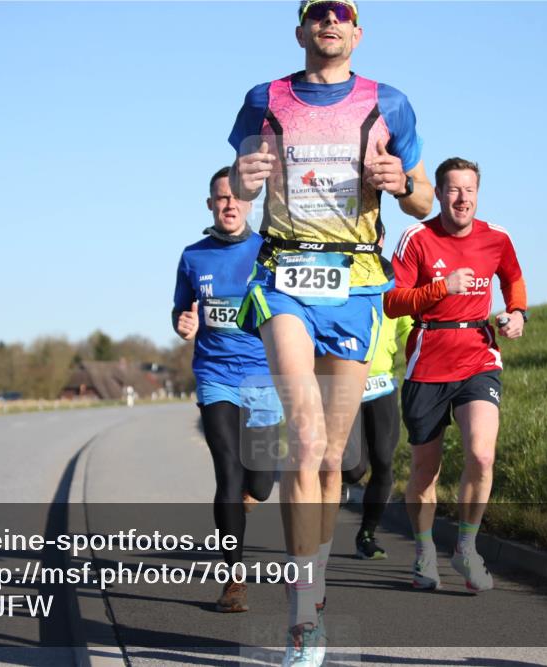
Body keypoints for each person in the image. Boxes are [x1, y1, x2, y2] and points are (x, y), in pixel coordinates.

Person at [228, 0, 433, 663]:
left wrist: (399, 182)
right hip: (284, 276)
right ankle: (300, 614)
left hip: (356, 283)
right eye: (318, 11)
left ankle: (312, 588)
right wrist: (243, 180)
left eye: (342, 11)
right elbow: (240, 185)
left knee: (330, 458)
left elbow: (423, 200)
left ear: (357, 32)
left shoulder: (389, 103)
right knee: (306, 439)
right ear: (301, 30)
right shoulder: (264, 99)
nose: (330, 20)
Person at [385, 157, 527, 592]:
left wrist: (518, 313)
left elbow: (513, 279)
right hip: (428, 362)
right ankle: (425, 551)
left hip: (478, 358)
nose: (462, 199)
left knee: (481, 455)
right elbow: (392, 302)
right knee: (425, 470)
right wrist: (441, 288)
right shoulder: (417, 238)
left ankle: (467, 548)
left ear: (477, 194)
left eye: (470, 190)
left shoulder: (497, 237)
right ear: (440, 193)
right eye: (453, 190)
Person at [172, 167, 283, 614]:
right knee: (228, 472)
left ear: (250, 202)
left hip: (263, 377)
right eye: (221, 198)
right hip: (215, 374)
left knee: (261, 483)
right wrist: (183, 323)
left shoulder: (270, 251)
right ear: (210, 205)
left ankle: (247, 500)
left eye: (237, 197)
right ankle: (234, 578)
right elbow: (181, 310)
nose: (230, 204)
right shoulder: (193, 257)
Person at [341, 309, 411, 559]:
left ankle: (367, 535)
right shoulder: (346, 286)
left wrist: (420, 352)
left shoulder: (395, 289)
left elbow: (408, 326)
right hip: (344, 382)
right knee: (353, 469)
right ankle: (332, 483)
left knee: (383, 461)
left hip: (382, 384)